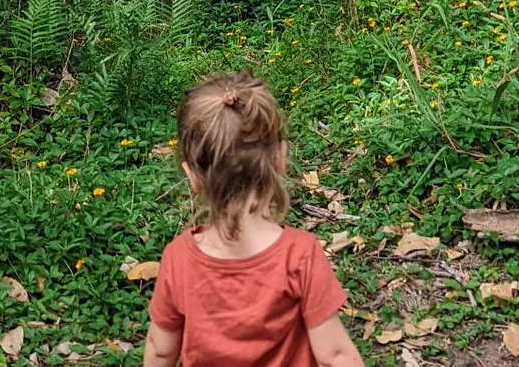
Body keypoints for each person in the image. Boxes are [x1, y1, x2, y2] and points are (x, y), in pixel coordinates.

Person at [144, 74, 364, 367]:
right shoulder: (300, 255)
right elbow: (335, 356)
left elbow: (160, 350)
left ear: (193, 176)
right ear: (280, 158)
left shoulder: (178, 259)